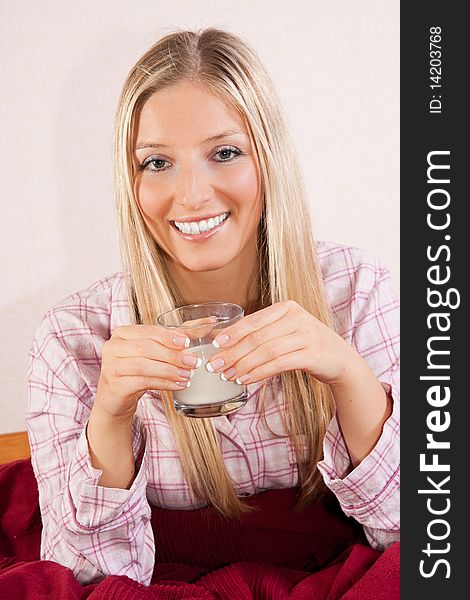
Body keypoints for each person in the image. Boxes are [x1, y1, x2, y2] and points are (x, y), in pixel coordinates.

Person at [26, 27, 400, 586]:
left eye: (225, 153)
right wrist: (110, 418)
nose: (193, 195)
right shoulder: (74, 338)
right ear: (130, 180)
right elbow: (89, 580)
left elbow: (424, 537)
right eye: (157, 163)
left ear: (268, 159)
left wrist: (349, 376)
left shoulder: (357, 290)